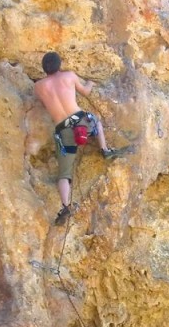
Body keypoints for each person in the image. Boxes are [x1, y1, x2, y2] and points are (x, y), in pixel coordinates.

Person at [34, 51, 116, 225]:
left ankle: (65, 206)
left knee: (64, 174)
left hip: (63, 131)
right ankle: (105, 150)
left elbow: (43, 102)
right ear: (59, 65)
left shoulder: (39, 87)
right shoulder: (69, 76)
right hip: (80, 122)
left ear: (44, 68)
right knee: (97, 122)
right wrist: (90, 82)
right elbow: (85, 91)